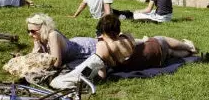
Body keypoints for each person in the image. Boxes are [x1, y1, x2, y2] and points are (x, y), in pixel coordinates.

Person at [49, 14, 196, 89]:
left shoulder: (103, 45)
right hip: (152, 50)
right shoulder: (127, 36)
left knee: (168, 52)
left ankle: (188, 50)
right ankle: (189, 48)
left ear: (101, 31)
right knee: (161, 40)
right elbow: (139, 43)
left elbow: (100, 71)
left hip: (153, 61)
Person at [26, 13, 97, 68]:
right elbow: (33, 60)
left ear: (43, 29)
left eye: (33, 31)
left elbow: (57, 64)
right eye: (28, 31)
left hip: (87, 48)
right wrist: (36, 49)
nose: (30, 34)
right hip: (74, 43)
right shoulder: (38, 37)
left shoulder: (52, 35)